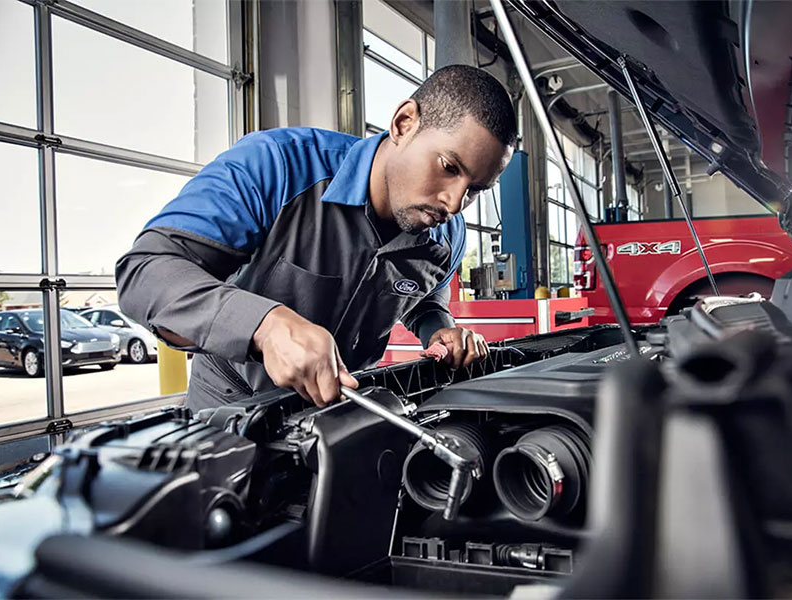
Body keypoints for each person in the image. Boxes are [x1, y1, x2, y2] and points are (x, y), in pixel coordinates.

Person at [116, 65, 517, 411]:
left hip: (344, 408)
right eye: (448, 166)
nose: (454, 201)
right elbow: (146, 271)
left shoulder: (447, 235)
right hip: (232, 404)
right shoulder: (276, 166)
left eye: (476, 189)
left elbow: (424, 297)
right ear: (404, 124)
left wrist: (439, 328)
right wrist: (266, 326)